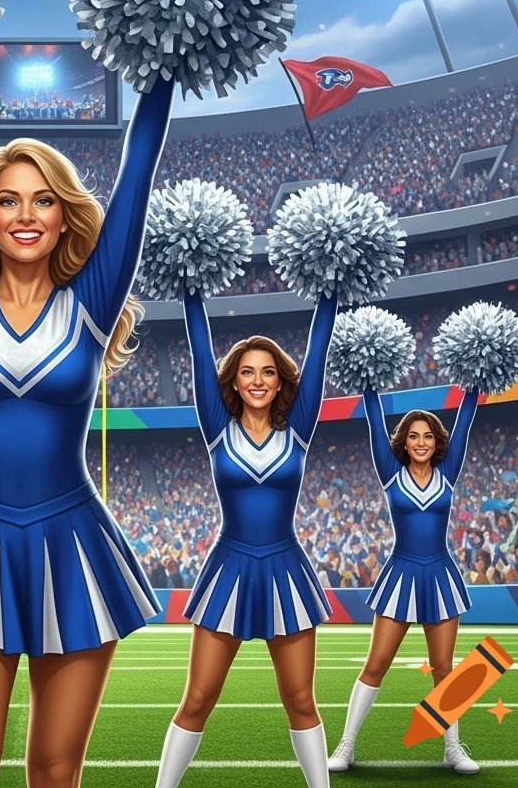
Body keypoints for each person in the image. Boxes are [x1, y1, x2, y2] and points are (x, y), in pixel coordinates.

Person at [0, 69, 173, 788]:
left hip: (74, 544)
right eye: (8, 199)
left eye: (44, 200)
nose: (26, 214)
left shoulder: (92, 302)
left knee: (53, 772)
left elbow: (138, 176)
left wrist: (164, 62)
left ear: (64, 216)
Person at [155, 290, 338, 788]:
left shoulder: (299, 429)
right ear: (233, 381)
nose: (258, 381)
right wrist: (189, 288)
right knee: (197, 699)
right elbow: (199, 348)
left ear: (282, 382)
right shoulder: (217, 428)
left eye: (269, 372)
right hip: (229, 569)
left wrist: (331, 290)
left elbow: (318, 352)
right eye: (247, 372)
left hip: (286, 569)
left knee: (301, 699)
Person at [329, 388, 480, 775]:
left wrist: (475, 385)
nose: (421, 442)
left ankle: (451, 748)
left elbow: (464, 423)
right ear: (403, 441)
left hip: (440, 575)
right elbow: (374, 423)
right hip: (401, 574)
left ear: (437, 441)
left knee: (444, 667)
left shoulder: (448, 473)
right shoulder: (390, 473)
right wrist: (369, 384)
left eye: (428, 435)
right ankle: (345, 746)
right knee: (376, 663)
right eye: (413, 435)